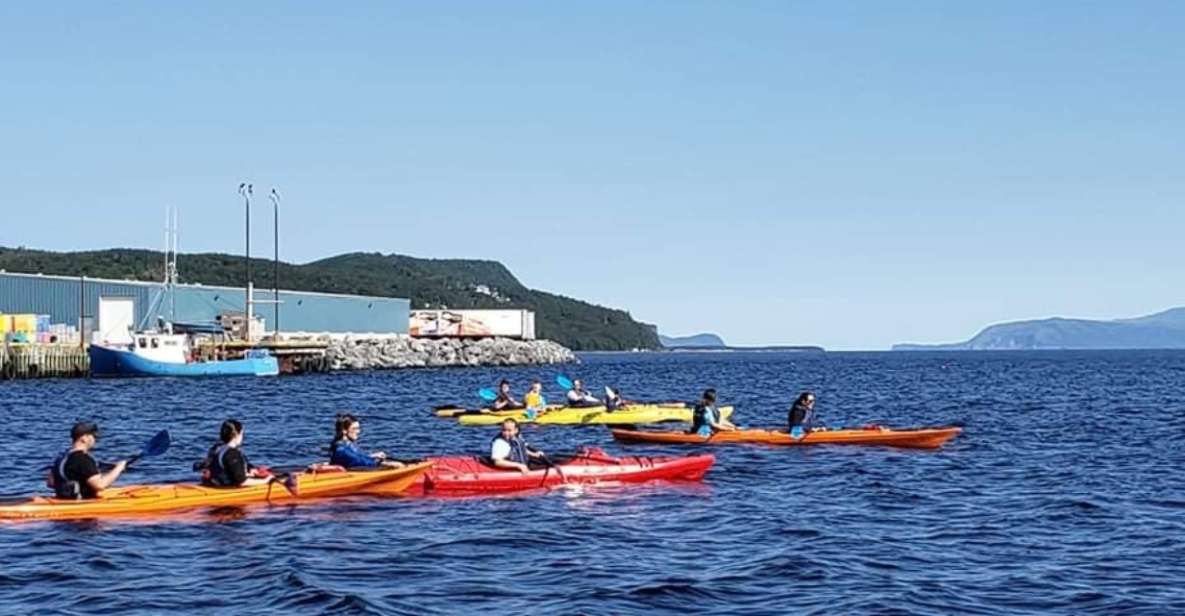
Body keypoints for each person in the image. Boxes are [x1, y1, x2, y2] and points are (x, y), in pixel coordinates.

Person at [47, 422, 128, 500]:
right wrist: (118, 468)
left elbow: (51, 483)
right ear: (84, 438)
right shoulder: (84, 459)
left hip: (63, 500)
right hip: (80, 503)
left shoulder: (61, 457)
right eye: (94, 436)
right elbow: (100, 485)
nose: (95, 440)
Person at [197, 419, 271, 487]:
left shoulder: (216, 448)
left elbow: (224, 469)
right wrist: (266, 481)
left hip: (216, 484)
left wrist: (249, 471)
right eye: (242, 434)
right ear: (237, 435)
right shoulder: (232, 454)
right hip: (226, 488)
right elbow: (242, 482)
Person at [329, 414, 404, 469]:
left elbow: (356, 457)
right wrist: (381, 463)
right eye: (355, 429)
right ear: (344, 431)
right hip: (347, 476)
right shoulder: (342, 450)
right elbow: (358, 461)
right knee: (398, 465)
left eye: (358, 428)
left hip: (354, 469)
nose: (358, 431)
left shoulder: (346, 444)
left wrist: (373, 456)